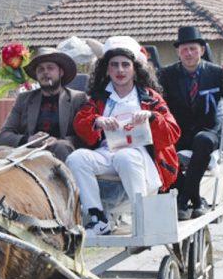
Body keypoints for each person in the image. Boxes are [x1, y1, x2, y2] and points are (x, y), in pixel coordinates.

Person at [65, 36, 180, 237]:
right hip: (108, 152)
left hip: (141, 156)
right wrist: (97, 121)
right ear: (107, 70)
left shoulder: (149, 96)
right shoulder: (99, 98)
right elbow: (80, 122)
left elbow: (173, 132)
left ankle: (142, 215)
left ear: (135, 69)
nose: (120, 70)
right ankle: (97, 218)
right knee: (77, 158)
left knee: (124, 157)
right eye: (114, 65)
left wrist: (152, 117)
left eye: (125, 65)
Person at [158, 26, 223, 220]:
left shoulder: (216, 73)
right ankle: (196, 200)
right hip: (178, 134)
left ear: (201, 49)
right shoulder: (166, 75)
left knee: (202, 140)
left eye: (193, 48)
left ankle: (182, 201)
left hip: (208, 132)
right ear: (178, 52)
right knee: (154, 148)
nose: (188, 53)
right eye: (184, 49)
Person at [0, 47, 87, 162]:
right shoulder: (24, 99)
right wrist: (29, 140)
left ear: (61, 72)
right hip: (29, 152)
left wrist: (60, 140)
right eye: (40, 69)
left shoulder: (78, 99)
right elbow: (4, 135)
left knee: (61, 147)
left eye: (50, 68)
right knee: (0, 152)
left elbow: (86, 138)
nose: (45, 72)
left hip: (60, 152)